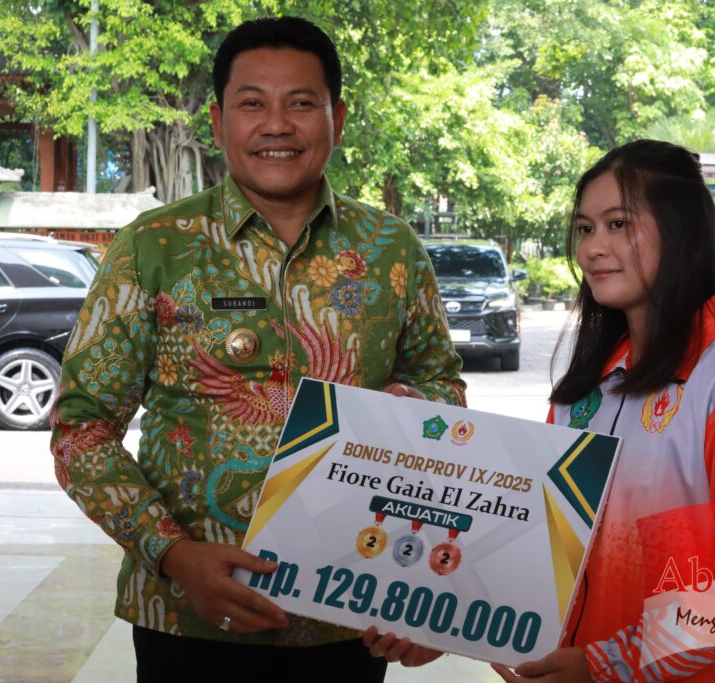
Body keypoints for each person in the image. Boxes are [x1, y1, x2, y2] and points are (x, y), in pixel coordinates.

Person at [50, 16, 465, 682]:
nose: (277, 125)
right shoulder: (153, 247)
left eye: (300, 103)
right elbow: (82, 431)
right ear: (219, 122)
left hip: (349, 614)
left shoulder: (393, 250)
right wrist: (173, 553)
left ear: (337, 118)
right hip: (187, 616)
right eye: (252, 104)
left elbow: (443, 388)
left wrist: (410, 410)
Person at [489, 140, 715, 682]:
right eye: (585, 228)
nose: (592, 249)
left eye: (618, 224)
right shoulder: (582, 393)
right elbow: (547, 541)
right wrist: (466, 616)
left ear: (681, 232)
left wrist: (603, 666)